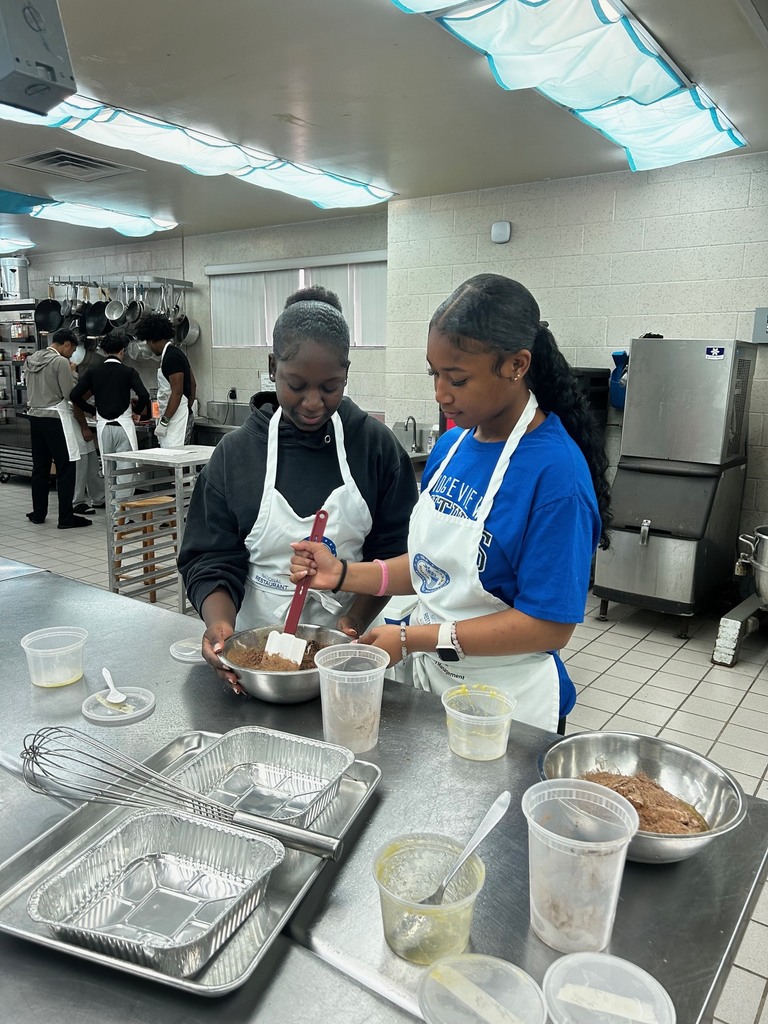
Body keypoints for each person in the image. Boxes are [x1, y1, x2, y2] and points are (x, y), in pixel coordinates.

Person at [290, 274, 611, 733]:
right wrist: (341, 573)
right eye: (434, 374)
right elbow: (429, 568)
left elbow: (549, 626)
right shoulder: (452, 446)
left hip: (506, 704)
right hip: (431, 683)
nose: (441, 393)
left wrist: (412, 638)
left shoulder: (555, 474)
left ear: (517, 365)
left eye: (457, 378)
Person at [178, 285, 419, 691]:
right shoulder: (236, 455)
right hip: (256, 658)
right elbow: (211, 557)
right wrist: (219, 624)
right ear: (273, 367)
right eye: (296, 385)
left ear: (346, 371)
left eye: (330, 387)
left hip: (349, 652)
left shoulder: (374, 447)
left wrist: (353, 622)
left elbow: (397, 554)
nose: (312, 402)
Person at [70, 331, 151, 502]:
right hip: (123, 428)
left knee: (109, 473)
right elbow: (144, 395)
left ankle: (112, 515)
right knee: (125, 473)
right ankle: (122, 516)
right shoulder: (128, 372)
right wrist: (137, 413)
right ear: (122, 350)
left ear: (105, 351)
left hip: (103, 428)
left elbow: (75, 396)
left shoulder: (94, 372)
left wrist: (92, 411)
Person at [24, 328, 92, 529]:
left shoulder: (32, 358)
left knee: (40, 467)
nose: (71, 355)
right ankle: (66, 517)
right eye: (72, 351)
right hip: (55, 418)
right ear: (66, 345)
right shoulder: (60, 362)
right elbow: (70, 393)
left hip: (35, 416)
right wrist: (73, 372)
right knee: (66, 466)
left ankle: (38, 513)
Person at [133, 314, 196, 448]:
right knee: (173, 459)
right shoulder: (175, 354)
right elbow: (193, 384)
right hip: (175, 413)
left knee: (174, 459)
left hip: (175, 417)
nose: (149, 348)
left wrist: (165, 421)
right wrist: (187, 407)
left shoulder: (171, 357)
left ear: (151, 340)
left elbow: (177, 392)